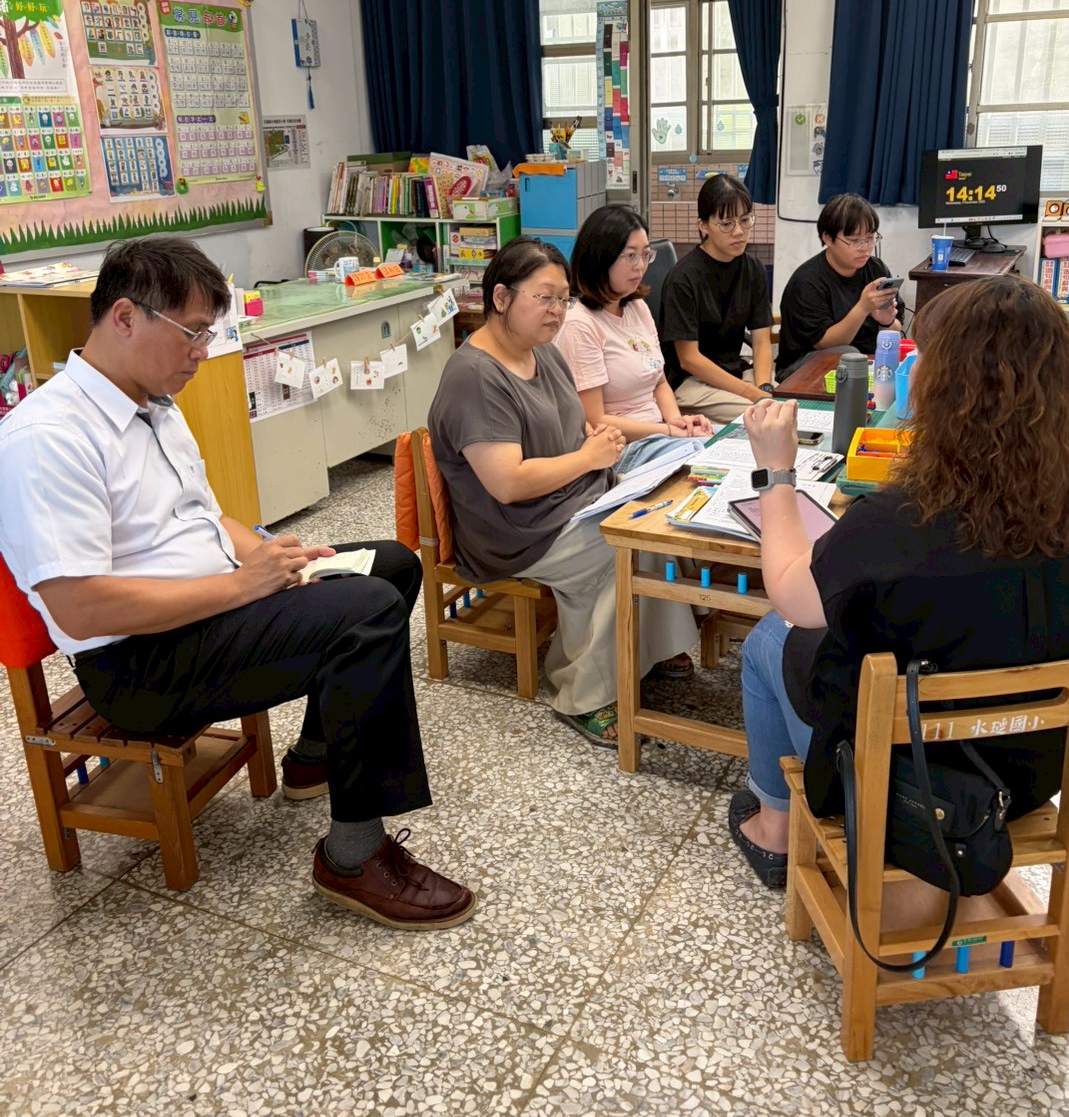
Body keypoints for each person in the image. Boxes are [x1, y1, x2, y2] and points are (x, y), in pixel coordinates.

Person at [0, 236, 474, 931]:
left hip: (212, 608)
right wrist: (246, 587)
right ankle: (353, 856)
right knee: (366, 609)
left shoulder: (154, 404)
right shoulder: (47, 437)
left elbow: (204, 516)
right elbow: (79, 606)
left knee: (391, 565)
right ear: (125, 317)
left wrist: (276, 557)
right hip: (141, 664)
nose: (202, 352)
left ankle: (316, 755)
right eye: (193, 333)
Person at [727, 275, 1069, 889]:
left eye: (923, 356)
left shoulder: (902, 517)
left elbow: (793, 596)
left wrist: (776, 473)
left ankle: (774, 828)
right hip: (1033, 768)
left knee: (772, 637)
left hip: (911, 784)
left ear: (950, 384)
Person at [428, 236, 698, 744]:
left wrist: (594, 440)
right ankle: (583, 695)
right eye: (545, 298)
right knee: (623, 545)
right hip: (518, 529)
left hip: (570, 500)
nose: (557, 311)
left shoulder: (542, 353)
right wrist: (587, 458)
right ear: (501, 297)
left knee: (658, 514)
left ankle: (642, 651)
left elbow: (572, 427)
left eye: (564, 299)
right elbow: (507, 483)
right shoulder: (475, 376)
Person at [556, 204, 713, 477]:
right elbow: (594, 419)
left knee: (734, 440)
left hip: (657, 435)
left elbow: (659, 382)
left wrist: (679, 423)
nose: (640, 266)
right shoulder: (579, 324)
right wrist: (668, 431)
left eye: (645, 254)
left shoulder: (636, 307)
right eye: (630, 255)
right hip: (620, 449)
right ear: (600, 258)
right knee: (708, 459)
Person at [659, 174, 774, 424]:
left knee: (788, 407)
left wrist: (764, 388)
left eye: (745, 220)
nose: (739, 231)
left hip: (734, 374)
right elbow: (689, 359)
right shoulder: (683, 278)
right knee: (763, 417)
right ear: (703, 225)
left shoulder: (753, 269)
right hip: (691, 382)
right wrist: (752, 395)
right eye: (726, 224)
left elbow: (761, 341)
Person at [775, 193, 904, 382]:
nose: (865, 248)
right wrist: (862, 308)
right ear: (828, 238)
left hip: (863, 366)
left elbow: (896, 332)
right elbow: (824, 344)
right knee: (848, 355)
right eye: (854, 241)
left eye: (870, 238)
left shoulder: (876, 269)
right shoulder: (807, 282)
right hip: (804, 367)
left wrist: (886, 322)